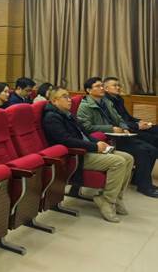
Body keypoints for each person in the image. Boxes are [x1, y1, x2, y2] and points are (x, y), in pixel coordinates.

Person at [43, 87, 134, 222]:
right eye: (65, 97)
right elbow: (66, 140)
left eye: (69, 96)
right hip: (75, 156)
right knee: (118, 162)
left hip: (87, 149)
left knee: (128, 158)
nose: (69, 100)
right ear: (55, 101)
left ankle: (116, 197)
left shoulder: (67, 114)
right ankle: (107, 201)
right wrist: (95, 146)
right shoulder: (51, 118)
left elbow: (84, 134)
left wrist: (98, 143)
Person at [77, 77, 158, 198]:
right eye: (98, 86)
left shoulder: (106, 102)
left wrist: (124, 127)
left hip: (120, 136)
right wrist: (111, 129)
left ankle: (140, 180)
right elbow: (86, 127)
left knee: (152, 149)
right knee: (143, 151)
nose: (101, 88)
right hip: (107, 140)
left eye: (102, 85)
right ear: (88, 90)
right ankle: (145, 186)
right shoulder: (84, 106)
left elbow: (119, 119)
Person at [104, 77, 158, 148]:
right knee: (152, 137)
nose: (118, 88)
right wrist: (137, 125)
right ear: (106, 88)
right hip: (124, 128)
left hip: (131, 125)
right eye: (114, 86)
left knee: (155, 128)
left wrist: (139, 121)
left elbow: (127, 116)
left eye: (119, 85)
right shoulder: (105, 102)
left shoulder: (119, 99)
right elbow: (115, 122)